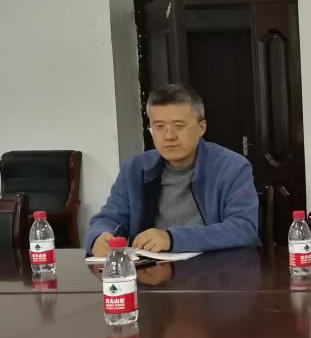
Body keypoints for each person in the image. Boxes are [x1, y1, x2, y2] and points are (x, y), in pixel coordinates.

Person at [85, 84, 260, 257]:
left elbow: (244, 229)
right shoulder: (134, 169)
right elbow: (108, 219)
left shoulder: (232, 167)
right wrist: (98, 238)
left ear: (201, 128)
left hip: (216, 268)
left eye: (179, 126)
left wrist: (171, 238)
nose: (169, 136)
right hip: (151, 269)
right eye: (159, 127)